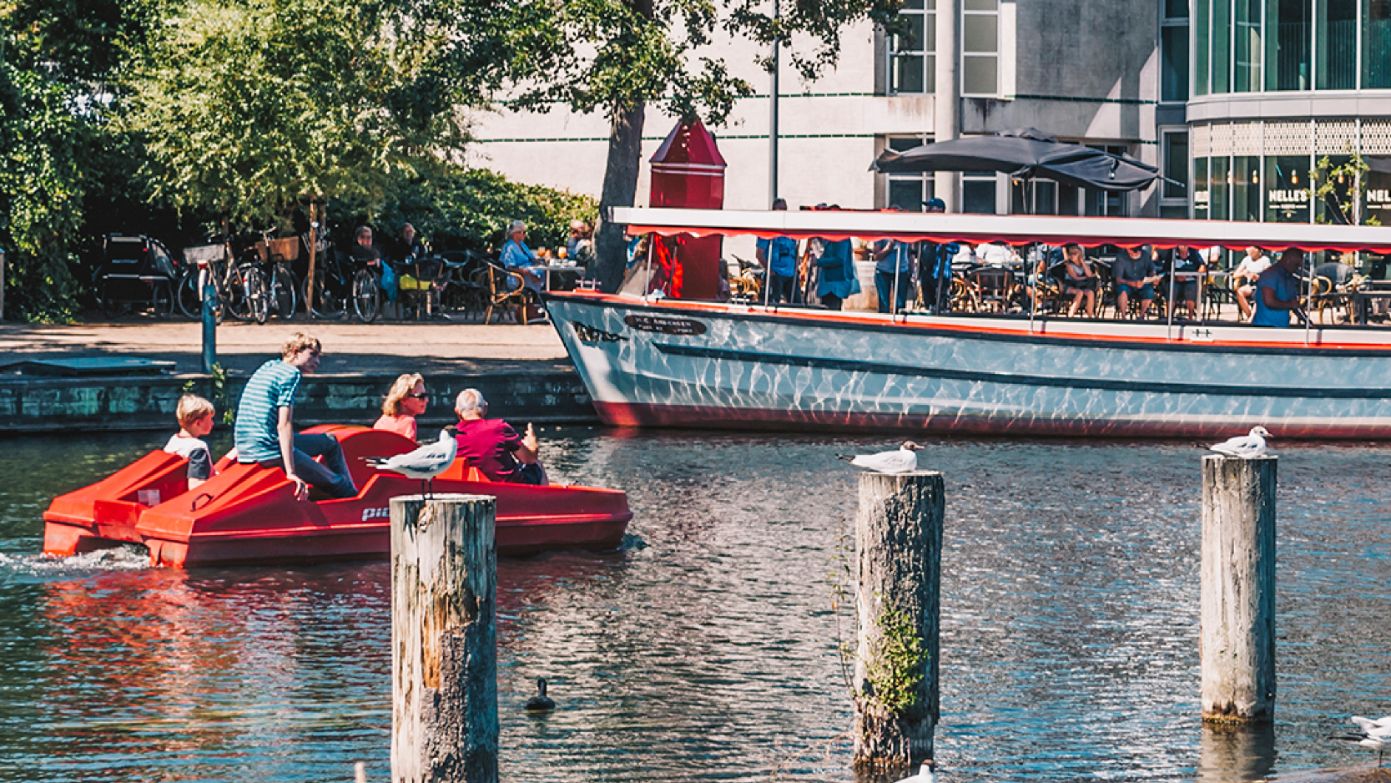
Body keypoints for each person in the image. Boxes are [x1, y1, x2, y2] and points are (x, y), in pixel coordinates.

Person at [234, 333, 356, 500]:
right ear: (295, 351)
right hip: (268, 449)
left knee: (330, 442)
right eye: (312, 354)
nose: (317, 362)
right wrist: (291, 472)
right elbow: (284, 425)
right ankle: (353, 500)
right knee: (336, 482)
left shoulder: (268, 367)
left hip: (246, 447)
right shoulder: (291, 374)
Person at [452, 388, 546, 485]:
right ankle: (546, 498)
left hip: (468, 488)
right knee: (537, 465)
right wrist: (532, 445)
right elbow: (529, 459)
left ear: (457, 412)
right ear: (485, 408)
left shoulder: (451, 436)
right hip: (508, 489)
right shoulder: (499, 427)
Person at [164, 394, 217, 490]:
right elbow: (196, 485)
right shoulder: (197, 448)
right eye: (210, 419)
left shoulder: (173, 441)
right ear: (198, 423)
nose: (213, 423)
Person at [755, 199, 799, 304]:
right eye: (780, 209)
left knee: (796, 302)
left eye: (785, 209)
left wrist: (797, 266)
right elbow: (759, 253)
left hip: (791, 273)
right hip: (776, 273)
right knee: (774, 302)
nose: (783, 212)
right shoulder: (767, 230)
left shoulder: (790, 230)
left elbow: (795, 249)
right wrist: (769, 270)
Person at [916, 198, 955, 312]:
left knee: (940, 301)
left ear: (940, 210)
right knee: (928, 302)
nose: (927, 210)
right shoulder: (924, 228)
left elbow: (954, 247)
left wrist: (939, 243)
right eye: (927, 208)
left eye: (930, 208)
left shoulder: (948, 227)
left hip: (940, 272)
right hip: (926, 271)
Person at [1252, 248, 1305, 328]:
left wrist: (1306, 320)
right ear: (1288, 260)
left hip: (1282, 326)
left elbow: (1294, 304)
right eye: (1296, 265)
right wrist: (1290, 304)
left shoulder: (1289, 278)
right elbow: (1269, 301)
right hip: (1265, 326)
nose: (1297, 269)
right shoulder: (1270, 275)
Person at [872, 209, 912, 313]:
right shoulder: (881, 234)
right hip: (883, 270)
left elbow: (909, 252)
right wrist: (888, 248)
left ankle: (900, 324)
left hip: (901, 270)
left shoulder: (905, 233)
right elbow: (876, 256)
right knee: (884, 303)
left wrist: (911, 270)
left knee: (900, 303)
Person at [374, 373, 428, 442]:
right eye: (421, 396)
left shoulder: (381, 421)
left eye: (426, 395)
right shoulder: (409, 422)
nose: (426, 400)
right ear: (403, 399)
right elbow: (409, 450)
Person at [1112, 245, 1161, 318]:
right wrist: (1132, 283)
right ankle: (1123, 316)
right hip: (1126, 283)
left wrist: (1153, 277)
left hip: (1142, 283)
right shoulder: (1121, 257)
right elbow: (1118, 279)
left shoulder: (1145, 255)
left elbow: (1151, 269)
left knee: (1149, 292)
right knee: (1122, 291)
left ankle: (1142, 315)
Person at [500, 220, 545, 294]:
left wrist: (540, 261)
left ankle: (543, 298)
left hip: (529, 272)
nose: (525, 235)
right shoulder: (509, 247)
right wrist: (526, 273)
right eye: (523, 232)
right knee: (541, 278)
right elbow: (509, 267)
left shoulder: (522, 244)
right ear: (515, 234)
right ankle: (537, 299)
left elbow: (531, 258)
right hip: (517, 277)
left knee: (548, 274)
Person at [1231, 246, 1272, 321]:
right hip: (1250, 284)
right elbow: (1235, 275)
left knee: (1260, 292)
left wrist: (1257, 276)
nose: (1247, 249)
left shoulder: (1265, 260)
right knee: (1240, 291)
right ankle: (1250, 315)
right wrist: (1244, 273)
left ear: (1257, 250)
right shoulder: (1246, 259)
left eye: (1249, 248)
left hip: (1261, 285)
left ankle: (1253, 317)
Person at [1168, 244, 1206, 320]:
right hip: (1175, 280)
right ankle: (1169, 317)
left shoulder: (1193, 253)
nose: (1184, 246)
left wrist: (1200, 270)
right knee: (1172, 289)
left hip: (1190, 280)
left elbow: (1202, 265)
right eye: (1181, 244)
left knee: (1191, 290)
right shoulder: (1172, 253)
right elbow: (1167, 268)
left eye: (1186, 244)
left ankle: (1190, 317)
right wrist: (1176, 277)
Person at [1062, 243, 1098, 318]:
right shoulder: (1069, 265)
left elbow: (1089, 274)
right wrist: (1087, 277)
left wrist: (1082, 261)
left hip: (1081, 285)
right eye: (1070, 253)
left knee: (1090, 292)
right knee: (1080, 292)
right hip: (1070, 285)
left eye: (1075, 253)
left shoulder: (1084, 264)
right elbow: (1075, 277)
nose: (1072, 255)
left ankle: (1090, 315)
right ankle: (1071, 314)